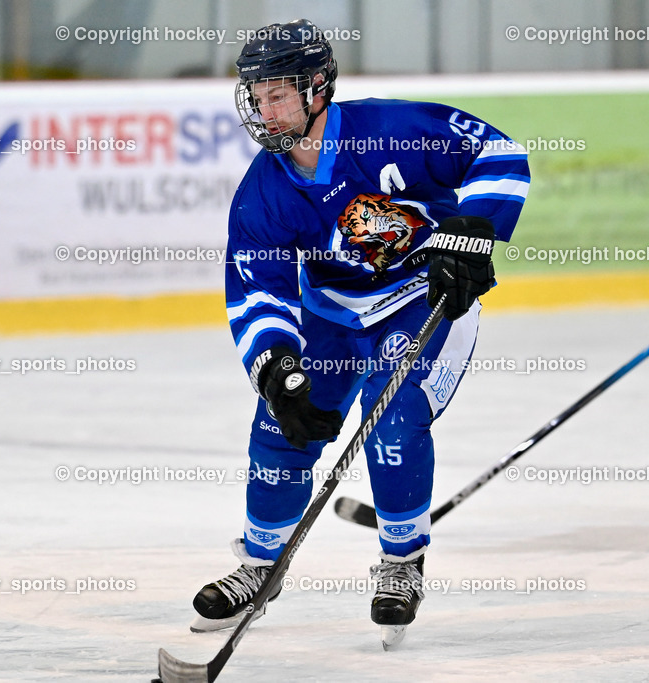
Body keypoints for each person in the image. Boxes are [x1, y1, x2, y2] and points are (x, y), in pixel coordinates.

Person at [189, 19, 529, 644]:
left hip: (420, 298)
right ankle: (260, 565)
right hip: (333, 315)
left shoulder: (388, 131)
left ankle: (402, 559)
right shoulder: (262, 193)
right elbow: (258, 291)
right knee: (279, 422)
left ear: (318, 88)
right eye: (256, 97)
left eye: (278, 95)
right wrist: (274, 365)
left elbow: (500, 152)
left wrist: (472, 233)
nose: (264, 112)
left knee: (392, 414)